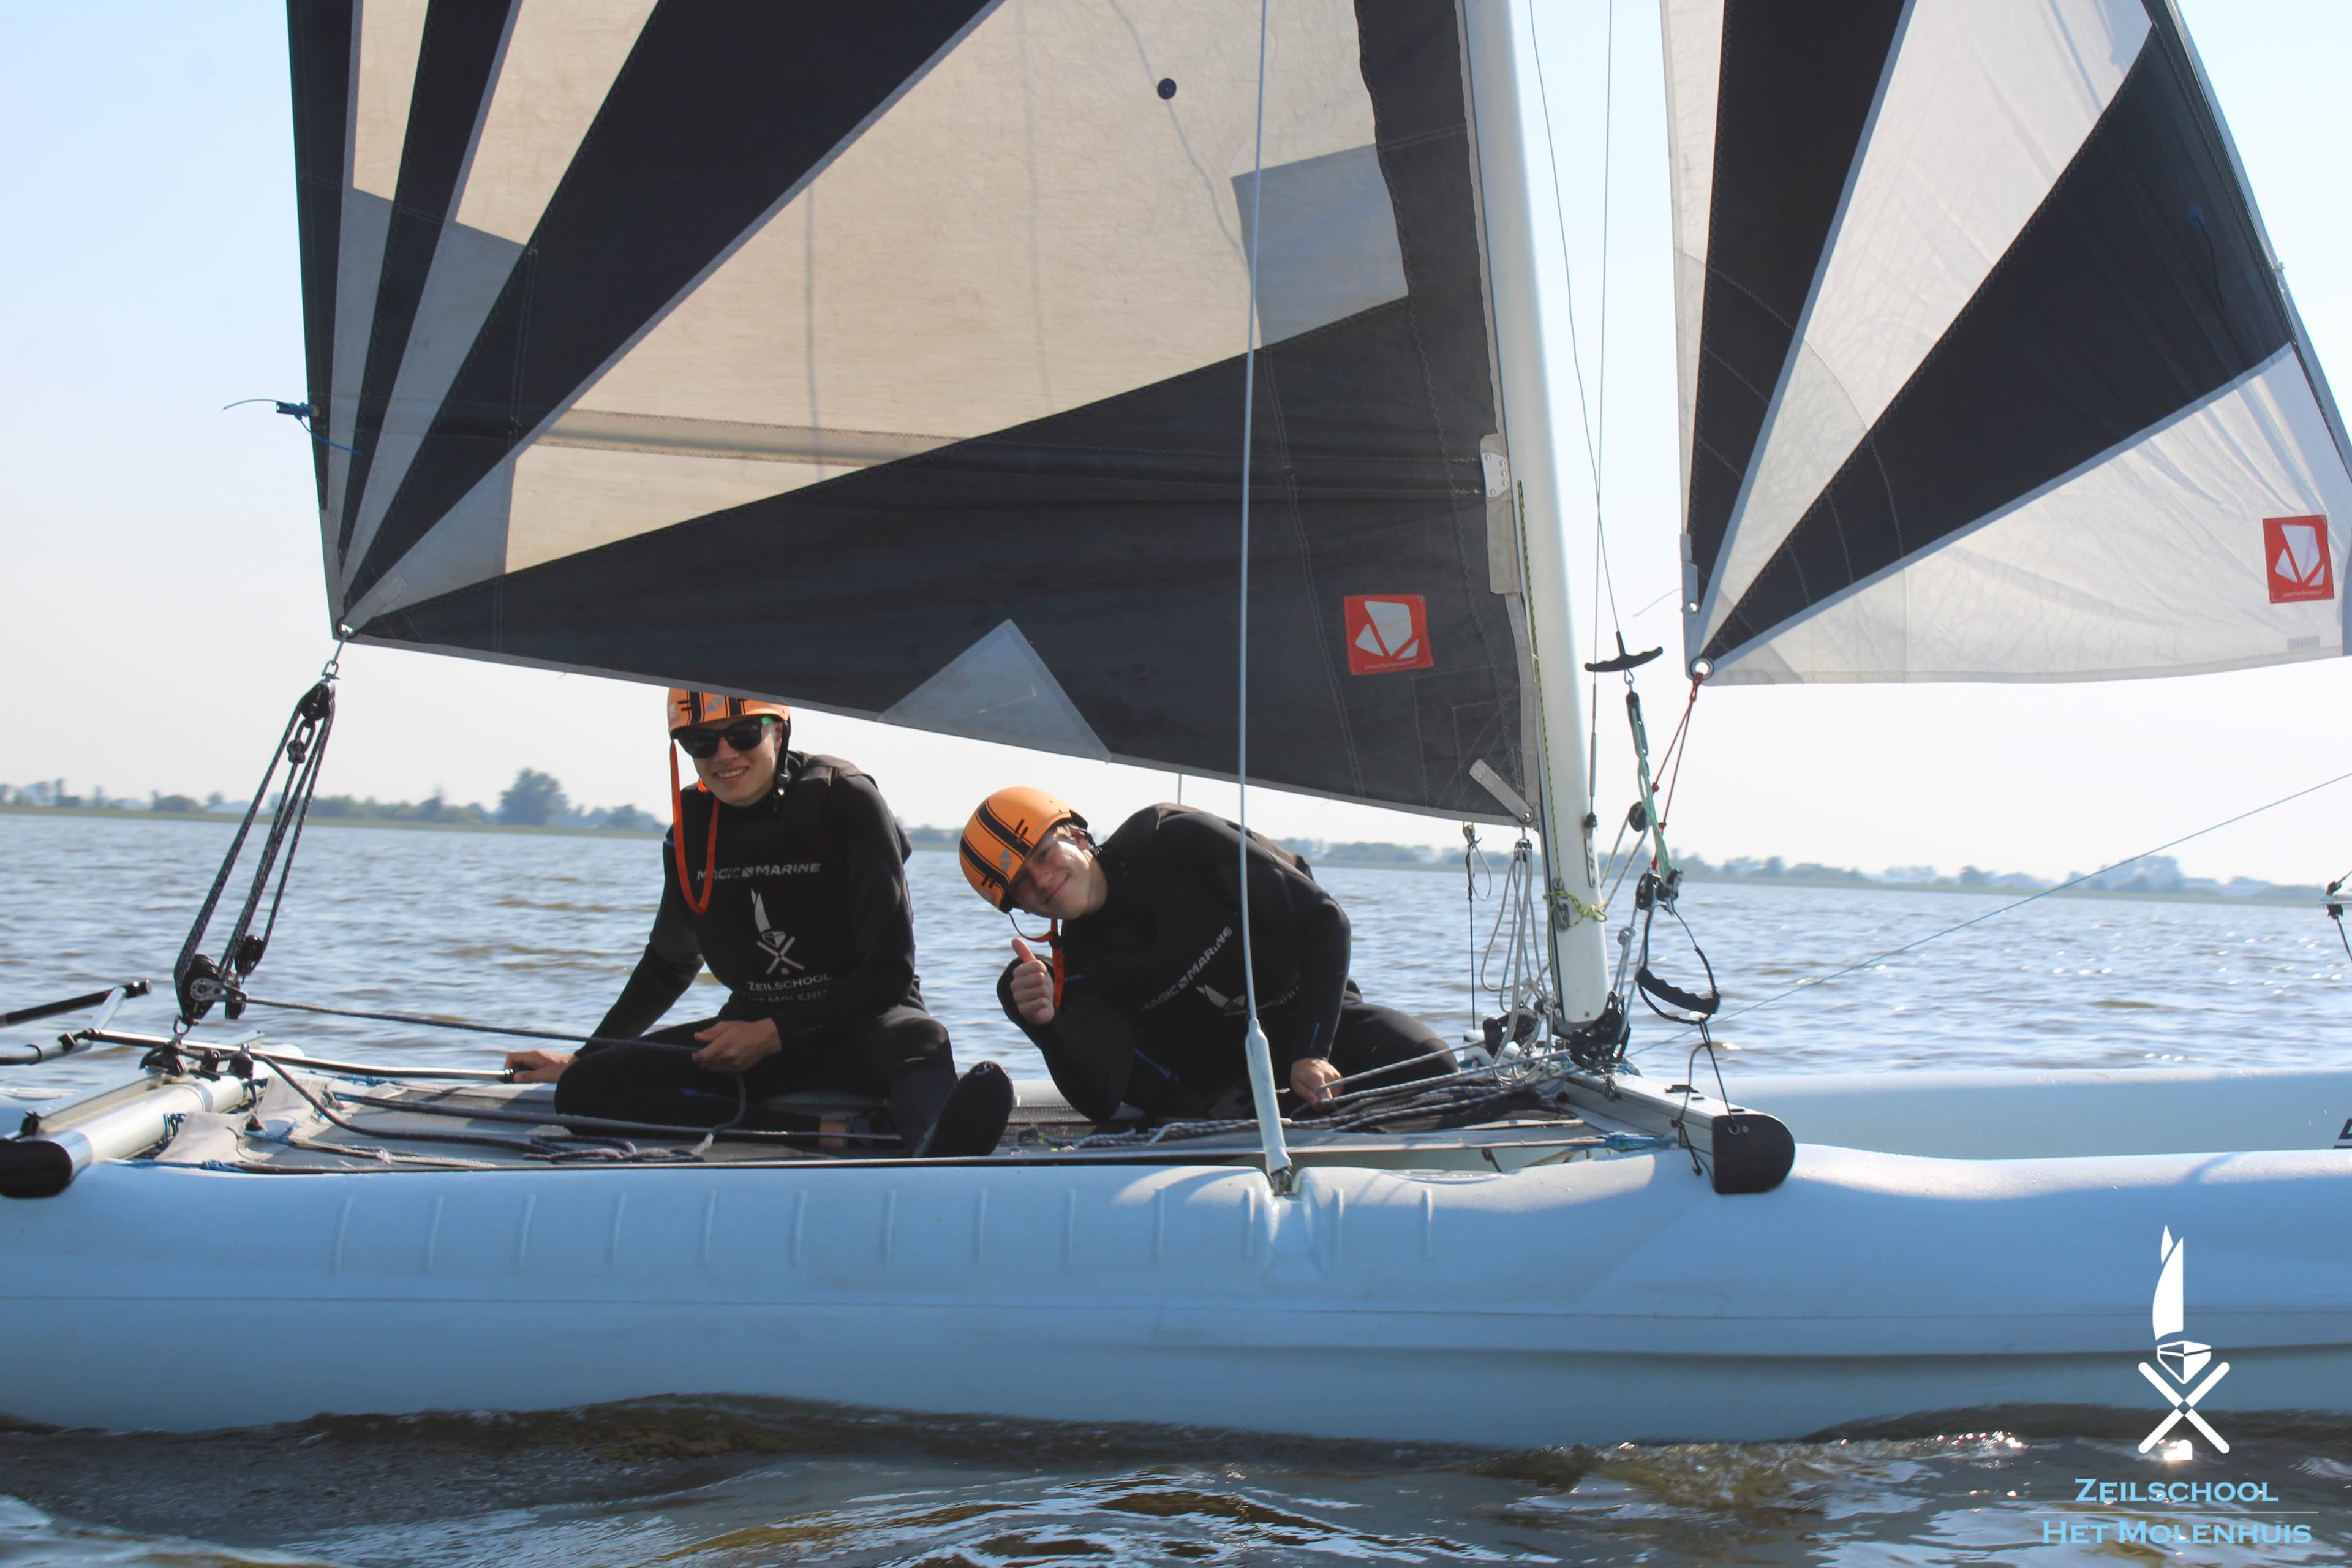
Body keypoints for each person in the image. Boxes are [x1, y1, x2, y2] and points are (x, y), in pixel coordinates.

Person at [507, 690, 1011, 1156]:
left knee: (922, 1037)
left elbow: (890, 971)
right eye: (702, 743)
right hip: (749, 1039)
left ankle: (944, 1144)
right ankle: (840, 1135)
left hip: (863, 1025)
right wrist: (586, 1055)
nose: (724, 755)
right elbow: (668, 965)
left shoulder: (845, 799)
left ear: (778, 730)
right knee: (584, 1088)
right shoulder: (689, 828)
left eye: (743, 734)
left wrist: (777, 1032)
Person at [961, 788, 1450, 1122]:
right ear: (1018, 907)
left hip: (1309, 1021)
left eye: (1043, 855)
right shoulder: (1082, 964)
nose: (1042, 881)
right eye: (1020, 884)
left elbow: (1326, 920)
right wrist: (1045, 1028)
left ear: (1076, 836)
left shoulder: (1173, 840)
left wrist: (1312, 1053)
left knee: (1437, 1068)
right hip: (1221, 1078)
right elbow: (1101, 1098)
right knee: (1022, 987)